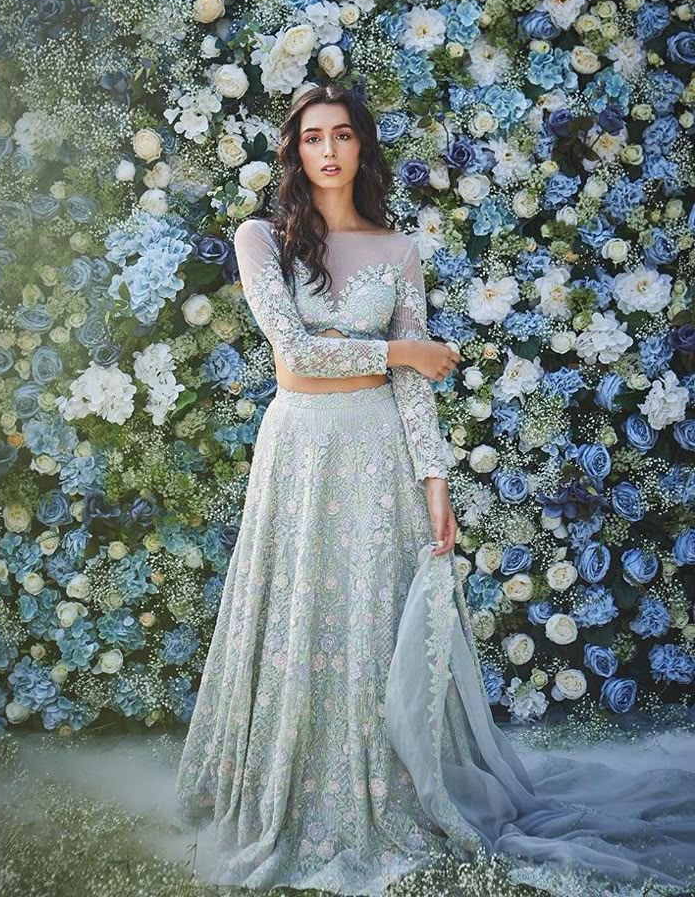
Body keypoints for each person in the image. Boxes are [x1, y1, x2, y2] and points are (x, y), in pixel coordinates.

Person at [175, 83, 695, 896]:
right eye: (313, 137)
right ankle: (298, 788)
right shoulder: (260, 239)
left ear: (361, 148)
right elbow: (293, 356)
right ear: (296, 152)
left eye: (343, 135)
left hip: (381, 456)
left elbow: (417, 392)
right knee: (302, 609)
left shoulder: (397, 251)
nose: (329, 150)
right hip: (303, 453)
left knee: (372, 616)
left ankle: (388, 787)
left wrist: (436, 480)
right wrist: (398, 355)